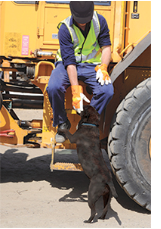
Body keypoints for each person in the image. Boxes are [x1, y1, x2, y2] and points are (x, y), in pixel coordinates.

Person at [47, 1, 114, 143]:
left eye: (86, 20)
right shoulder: (65, 28)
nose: (83, 24)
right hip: (67, 65)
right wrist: (76, 90)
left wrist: (103, 67)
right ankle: (63, 124)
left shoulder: (100, 21)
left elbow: (106, 47)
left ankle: (86, 124)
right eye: (79, 21)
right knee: (53, 87)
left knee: (107, 91)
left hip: (92, 66)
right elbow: (69, 61)